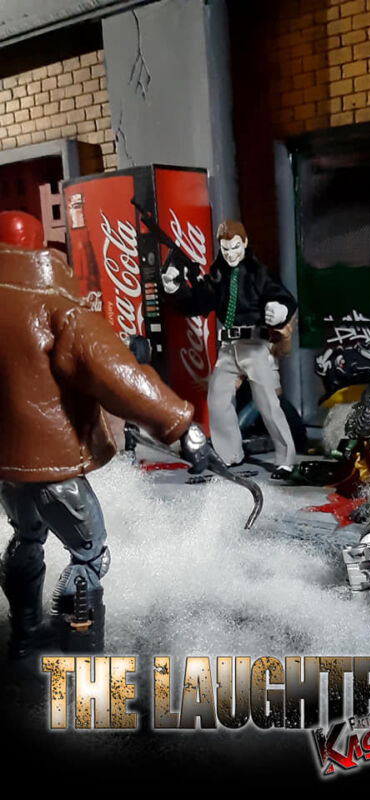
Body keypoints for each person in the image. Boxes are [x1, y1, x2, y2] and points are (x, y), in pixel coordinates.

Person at [0, 210, 210, 659]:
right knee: (89, 555)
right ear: (39, 250)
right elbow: (120, 377)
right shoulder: (56, 309)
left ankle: (24, 634)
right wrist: (180, 426)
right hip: (56, 467)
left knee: (26, 540)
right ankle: (81, 649)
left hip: (10, 471)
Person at [162, 219, 297, 478]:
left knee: (267, 403)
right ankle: (230, 455)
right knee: (217, 398)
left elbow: (282, 296)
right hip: (228, 347)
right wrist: (175, 288)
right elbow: (198, 304)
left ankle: (286, 458)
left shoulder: (258, 272)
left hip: (254, 345)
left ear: (244, 243)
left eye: (235, 247)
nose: (231, 254)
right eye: (225, 249)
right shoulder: (218, 273)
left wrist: (279, 310)